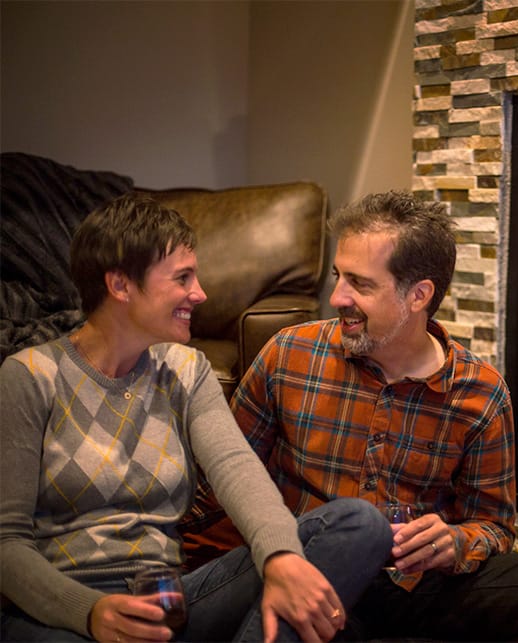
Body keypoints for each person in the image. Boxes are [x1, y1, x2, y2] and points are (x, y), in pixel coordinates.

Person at [185, 190, 518, 641]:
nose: (337, 297)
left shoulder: (480, 392)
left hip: (423, 588)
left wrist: (454, 543)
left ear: (418, 295)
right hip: (322, 576)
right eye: (338, 276)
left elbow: (494, 526)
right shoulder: (290, 355)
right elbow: (223, 481)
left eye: (360, 284)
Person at [0, 193, 393, 643]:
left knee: (359, 525)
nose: (200, 293)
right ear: (121, 285)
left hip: (170, 602)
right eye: (182, 277)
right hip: (61, 613)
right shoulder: (30, 377)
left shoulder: (186, 369)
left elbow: (236, 467)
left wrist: (281, 558)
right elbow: (5, 542)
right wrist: (88, 612)